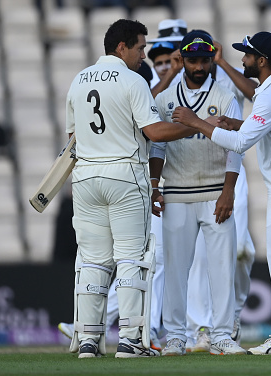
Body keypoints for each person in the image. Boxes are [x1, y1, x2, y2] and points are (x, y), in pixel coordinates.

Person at [171, 31, 271, 355]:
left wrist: (197, 122)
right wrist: (235, 122)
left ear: (261, 60)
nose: (242, 59)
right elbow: (259, 116)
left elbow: (242, 144)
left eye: (246, 54)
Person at [65, 19, 196, 359]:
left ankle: (89, 342)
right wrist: (196, 127)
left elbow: (72, 141)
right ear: (121, 47)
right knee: (131, 259)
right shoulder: (132, 80)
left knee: (93, 261)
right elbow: (154, 132)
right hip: (124, 175)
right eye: (140, 47)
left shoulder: (78, 80)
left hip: (85, 179)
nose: (144, 55)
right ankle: (130, 341)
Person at [150, 30, 246, 356]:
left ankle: (221, 335)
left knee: (222, 268)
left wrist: (229, 190)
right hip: (176, 191)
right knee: (176, 270)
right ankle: (175, 337)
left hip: (215, 190)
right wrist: (154, 186)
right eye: (193, 59)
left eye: (204, 59)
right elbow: (157, 146)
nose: (199, 65)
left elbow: (236, 148)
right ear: (183, 58)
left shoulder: (223, 94)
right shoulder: (165, 99)